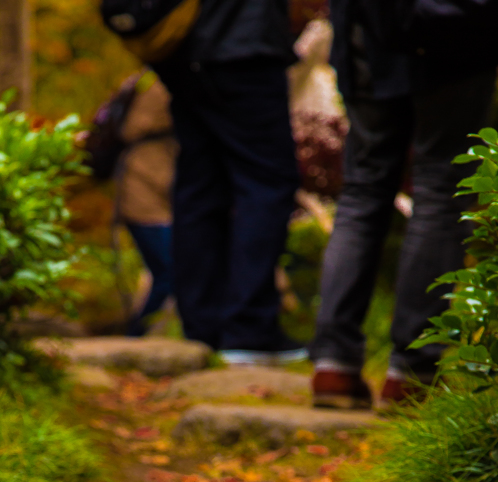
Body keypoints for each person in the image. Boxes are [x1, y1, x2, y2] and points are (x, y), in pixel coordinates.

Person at [311, 0, 498, 408]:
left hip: (366, 30)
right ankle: (412, 373)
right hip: (452, 39)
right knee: (441, 189)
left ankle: (333, 364)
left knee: (362, 190)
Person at [152, 0, 307, 364]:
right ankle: (247, 328)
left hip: (182, 53)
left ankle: (203, 326)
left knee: (201, 187)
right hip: (243, 47)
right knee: (267, 183)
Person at [115, 70, 178, 337]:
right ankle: (136, 335)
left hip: (151, 203)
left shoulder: (150, 85)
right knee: (169, 273)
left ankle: (140, 332)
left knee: (168, 273)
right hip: (146, 206)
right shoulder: (159, 91)